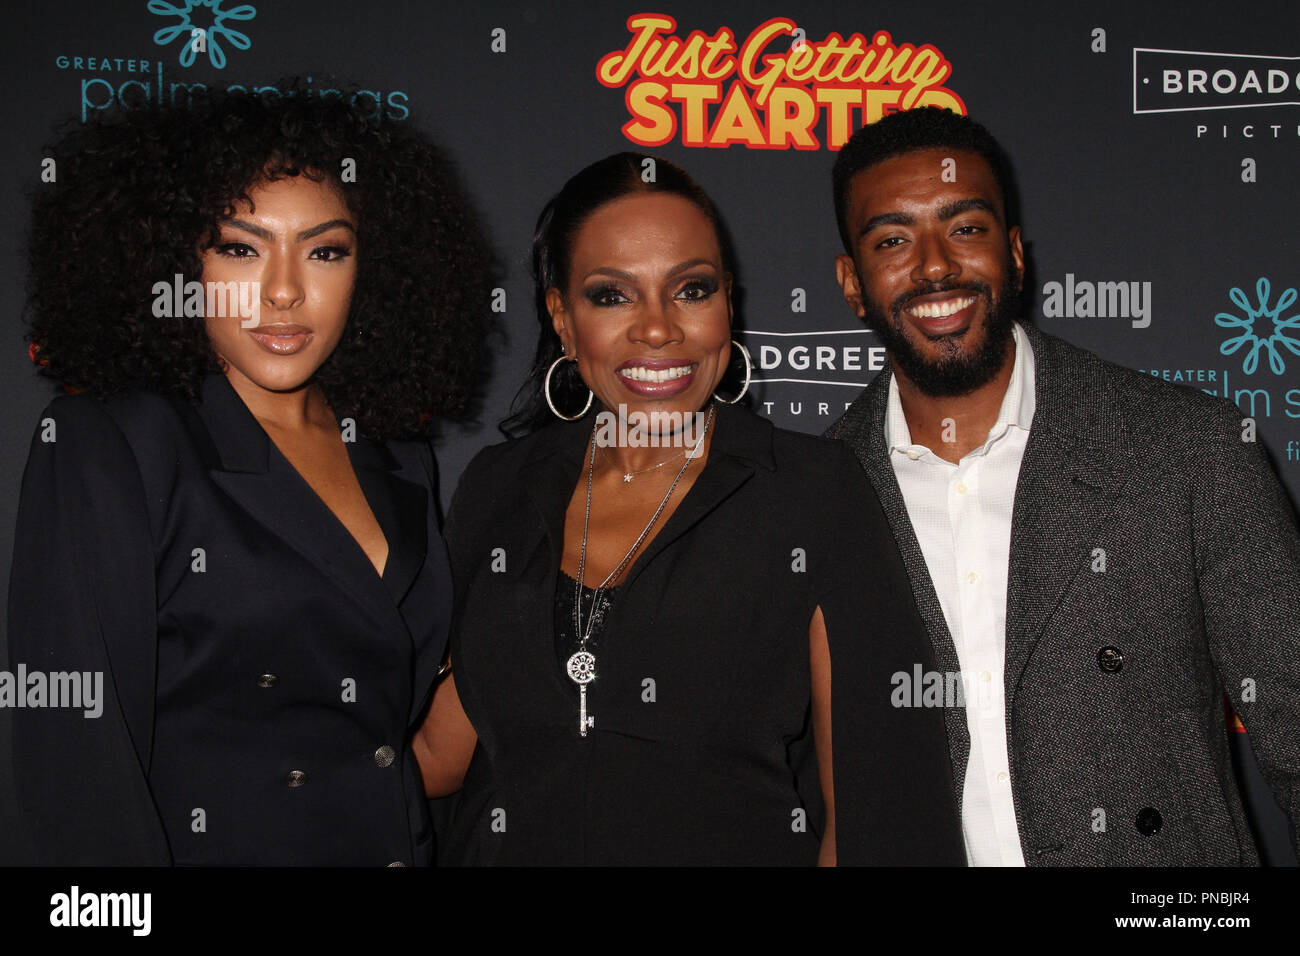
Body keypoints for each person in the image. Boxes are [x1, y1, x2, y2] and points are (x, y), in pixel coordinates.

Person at [415, 152, 963, 866]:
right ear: (562, 317)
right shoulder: (498, 487)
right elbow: (439, 752)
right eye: (612, 296)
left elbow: (876, 801)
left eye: (691, 290)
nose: (657, 330)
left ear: (727, 304)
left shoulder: (811, 490)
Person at [8, 85, 492, 865]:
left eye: (326, 250)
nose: (284, 290)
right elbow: (75, 767)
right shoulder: (115, 441)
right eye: (240, 246)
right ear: (173, 258)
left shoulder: (398, 456)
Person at [825, 105, 1300, 865]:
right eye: (892, 240)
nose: (936, 265)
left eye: (967, 228)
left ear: (1014, 253)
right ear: (853, 282)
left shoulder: (1186, 448)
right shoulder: (818, 498)